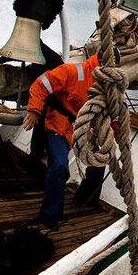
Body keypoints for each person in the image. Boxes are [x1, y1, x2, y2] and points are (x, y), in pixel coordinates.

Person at [22, 53, 107, 229]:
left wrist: (117, 133)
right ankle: (50, 213)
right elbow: (42, 83)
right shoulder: (74, 71)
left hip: (84, 128)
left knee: (99, 162)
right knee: (60, 166)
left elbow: (111, 109)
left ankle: (86, 198)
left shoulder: (110, 83)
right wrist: (35, 110)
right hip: (59, 125)